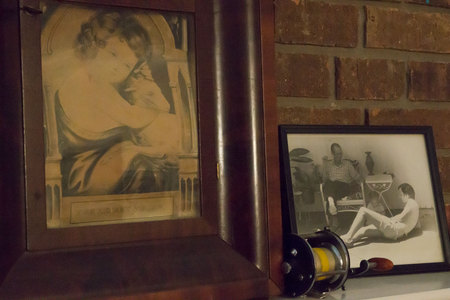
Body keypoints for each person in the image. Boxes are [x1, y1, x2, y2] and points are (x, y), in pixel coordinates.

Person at [56, 10, 178, 196]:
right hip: (84, 171)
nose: (117, 67)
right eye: (113, 55)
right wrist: (159, 112)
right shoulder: (88, 83)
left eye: (126, 66)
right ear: (96, 45)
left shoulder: (97, 82)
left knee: (152, 158)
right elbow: (132, 116)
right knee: (146, 167)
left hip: (98, 159)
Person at [340, 183, 419, 247]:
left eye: (400, 195)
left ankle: (347, 238)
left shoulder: (410, 202)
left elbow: (401, 217)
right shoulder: (415, 205)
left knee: (363, 210)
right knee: (364, 230)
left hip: (393, 229)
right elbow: (416, 224)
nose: (399, 197)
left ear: (406, 195)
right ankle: (344, 241)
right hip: (396, 234)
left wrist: (387, 219)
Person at [322, 143, 362, 228]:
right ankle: (332, 203)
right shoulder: (328, 165)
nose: (339, 156)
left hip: (344, 187)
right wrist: (324, 164)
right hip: (332, 188)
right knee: (330, 183)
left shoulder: (347, 164)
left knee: (332, 186)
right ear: (332, 154)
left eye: (340, 153)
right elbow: (324, 180)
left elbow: (356, 176)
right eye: (337, 154)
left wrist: (362, 182)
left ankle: (333, 212)